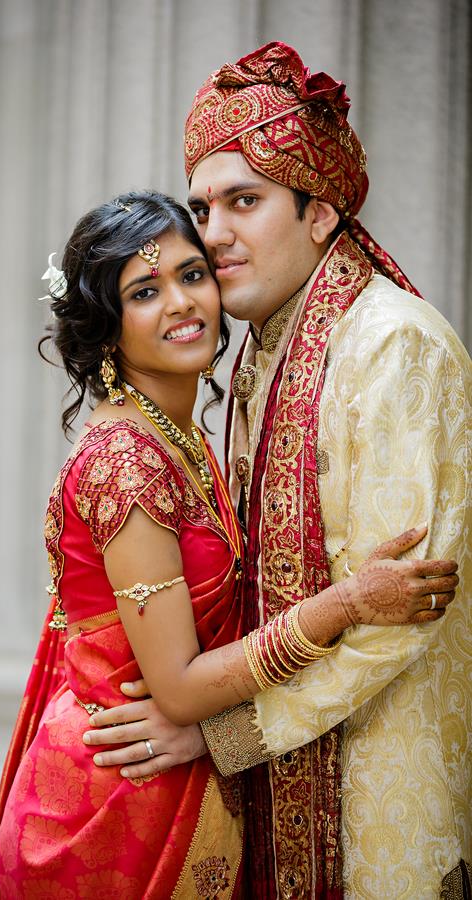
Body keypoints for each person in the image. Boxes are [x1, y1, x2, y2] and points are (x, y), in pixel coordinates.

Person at [0, 190, 456, 900]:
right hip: (117, 806)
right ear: (109, 329)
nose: (181, 303)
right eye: (145, 291)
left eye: (191, 275)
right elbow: (177, 687)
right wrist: (348, 603)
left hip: (166, 780)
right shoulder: (128, 463)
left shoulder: (183, 432)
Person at [82, 44, 472, 899]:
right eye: (203, 206)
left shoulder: (391, 346)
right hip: (284, 770)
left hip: (375, 787)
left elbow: (406, 609)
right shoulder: (264, 342)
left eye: (244, 202)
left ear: (321, 213)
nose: (212, 233)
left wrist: (219, 734)